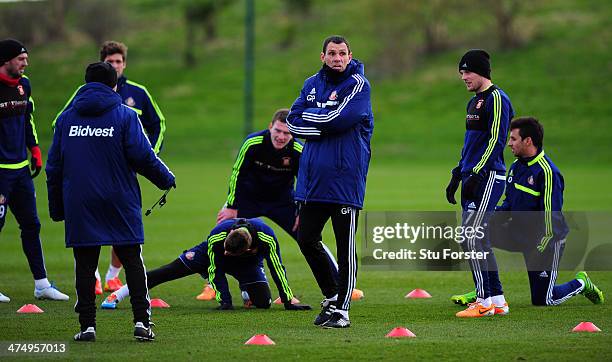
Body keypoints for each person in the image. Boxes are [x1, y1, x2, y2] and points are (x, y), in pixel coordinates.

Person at [46, 62, 175, 342]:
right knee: (132, 260)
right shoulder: (125, 115)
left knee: (85, 264)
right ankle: (142, 322)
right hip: (119, 198)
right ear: (115, 85)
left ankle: (87, 327)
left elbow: (53, 167)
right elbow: (143, 156)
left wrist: (57, 208)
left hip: (80, 202)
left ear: (85, 83)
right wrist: (165, 179)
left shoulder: (67, 118)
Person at [200, 109, 364, 301]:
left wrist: (302, 211)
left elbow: (306, 181)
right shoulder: (253, 143)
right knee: (221, 229)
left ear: (293, 133)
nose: (281, 136)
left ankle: (342, 285)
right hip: (248, 200)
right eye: (278, 130)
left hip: (282, 202)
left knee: (310, 237)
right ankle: (212, 284)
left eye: (286, 133)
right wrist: (231, 205)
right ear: (270, 127)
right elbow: (238, 173)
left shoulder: (298, 151)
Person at [52, 41, 168, 295]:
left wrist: (151, 154)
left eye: (118, 61)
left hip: (124, 169)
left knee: (122, 227)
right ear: (103, 62)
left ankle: (112, 276)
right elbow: (58, 123)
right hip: (95, 171)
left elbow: (158, 123)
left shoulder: (138, 93)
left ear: (124, 64)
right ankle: (95, 279)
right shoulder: (82, 96)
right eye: (110, 62)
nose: (115, 65)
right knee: (101, 230)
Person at [286, 35, 373, 328]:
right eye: (332, 53)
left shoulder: (358, 85)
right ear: (322, 56)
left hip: (344, 181)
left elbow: (339, 119)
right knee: (306, 238)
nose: (338, 58)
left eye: (342, 53)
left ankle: (342, 311)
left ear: (350, 56)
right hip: (313, 182)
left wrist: (315, 121)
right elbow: (291, 122)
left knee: (344, 247)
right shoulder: (311, 84)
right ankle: (332, 295)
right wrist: (321, 121)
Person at [493, 117, 603, 306]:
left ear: (528, 141)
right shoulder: (516, 167)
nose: (508, 143)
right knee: (476, 234)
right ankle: (487, 293)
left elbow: (551, 218)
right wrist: (488, 217)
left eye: (513, 139)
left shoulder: (548, 173)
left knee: (544, 300)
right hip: (519, 233)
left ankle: (581, 283)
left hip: (545, 241)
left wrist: (540, 248)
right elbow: (509, 205)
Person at [101, 218, 311, 312]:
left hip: (248, 264)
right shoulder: (218, 235)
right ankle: (119, 293)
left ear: (248, 248)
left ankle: (246, 287)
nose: (228, 252)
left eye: (231, 251)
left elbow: (277, 267)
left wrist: (287, 300)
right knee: (170, 271)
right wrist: (225, 301)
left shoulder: (267, 238)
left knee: (263, 302)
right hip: (209, 256)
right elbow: (216, 269)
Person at [445, 49, 514, 317]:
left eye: (467, 71)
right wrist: (458, 172)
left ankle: (483, 301)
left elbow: (497, 140)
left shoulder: (497, 99)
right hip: (472, 175)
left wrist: (476, 171)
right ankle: (497, 299)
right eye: (461, 72)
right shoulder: (473, 102)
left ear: (482, 72)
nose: (463, 77)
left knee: (471, 235)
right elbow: (471, 143)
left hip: (488, 176)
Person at [0, 39, 69, 302]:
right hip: (0, 173)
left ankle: (41, 284)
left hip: (20, 171)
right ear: (6, 60)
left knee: (32, 225)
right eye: (21, 59)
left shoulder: (24, 85)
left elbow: (27, 119)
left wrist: (35, 150)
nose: (26, 63)